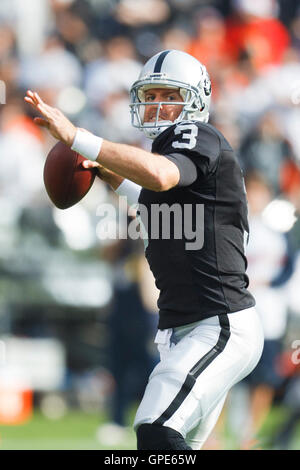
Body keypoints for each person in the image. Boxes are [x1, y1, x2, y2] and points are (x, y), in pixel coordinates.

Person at [24, 49, 264, 450]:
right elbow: (154, 201)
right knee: (169, 443)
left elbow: (160, 176)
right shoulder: (174, 158)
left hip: (218, 322)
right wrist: (107, 175)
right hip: (186, 326)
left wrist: (80, 139)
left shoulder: (197, 136)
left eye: (166, 95)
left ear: (196, 98)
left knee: (156, 430)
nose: (155, 106)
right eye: (149, 96)